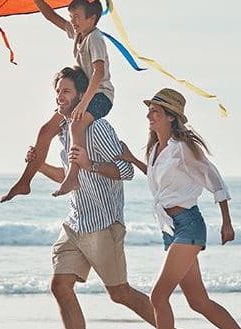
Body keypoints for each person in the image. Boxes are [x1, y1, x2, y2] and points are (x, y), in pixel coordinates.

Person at [17, 66, 158, 329]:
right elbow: (68, 176)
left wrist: (90, 163)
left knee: (119, 293)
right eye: (58, 91)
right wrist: (39, 165)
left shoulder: (99, 128)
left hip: (103, 225)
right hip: (76, 222)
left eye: (67, 91)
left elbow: (126, 170)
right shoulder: (63, 132)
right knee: (60, 286)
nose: (60, 96)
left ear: (82, 95)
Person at [133, 88, 241, 329]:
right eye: (149, 111)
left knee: (158, 296)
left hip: (188, 226)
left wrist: (227, 222)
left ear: (171, 116)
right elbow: (157, 180)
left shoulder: (183, 148)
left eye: (156, 112)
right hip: (171, 229)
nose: (149, 116)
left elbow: (214, 180)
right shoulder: (154, 150)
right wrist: (131, 158)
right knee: (198, 302)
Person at [0, 0, 118, 203]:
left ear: (92, 19)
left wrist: (83, 104)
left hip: (101, 96)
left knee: (77, 124)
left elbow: (99, 73)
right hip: (84, 95)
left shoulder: (95, 38)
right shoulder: (78, 34)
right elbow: (51, 16)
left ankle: (72, 176)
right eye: (71, 17)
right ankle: (25, 182)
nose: (72, 21)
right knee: (46, 131)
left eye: (77, 17)